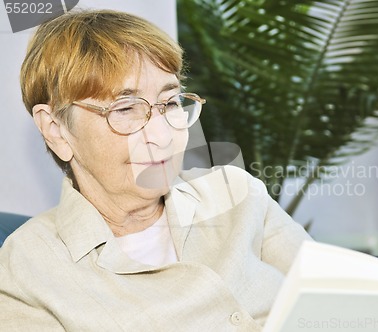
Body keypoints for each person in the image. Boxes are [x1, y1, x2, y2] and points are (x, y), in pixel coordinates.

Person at [0, 9, 311, 331]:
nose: (163, 137)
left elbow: (340, 295)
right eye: (125, 109)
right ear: (56, 130)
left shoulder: (237, 194)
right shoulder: (26, 267)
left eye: (171, 103)